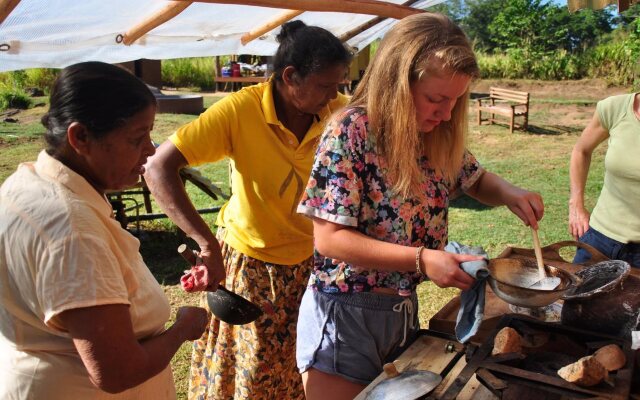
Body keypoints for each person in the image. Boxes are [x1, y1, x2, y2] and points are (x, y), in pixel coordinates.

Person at [295, 13, 545, 399]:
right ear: (397, 82)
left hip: (399, 311)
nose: (446, 114)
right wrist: (422, 259)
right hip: (344, 317)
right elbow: (329, 240)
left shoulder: (429, 132)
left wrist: (511, 192)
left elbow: (474, 179)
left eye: (455, 102)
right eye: (436, 99)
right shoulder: (351, 130)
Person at [143, 21, 352, 400]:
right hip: (253, 266)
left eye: (338, 85)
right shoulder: (241, 110)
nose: (334, 94)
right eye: (325, 85)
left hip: (311, 263)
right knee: (252, 373)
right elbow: (158, 167)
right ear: (290, 77)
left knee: (303, 367)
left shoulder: (336, 112)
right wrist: (205, 243)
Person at [0, 61, 209, 399]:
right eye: (137, 138)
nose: (151, 150)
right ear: (80, 137)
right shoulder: (72, 230)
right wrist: (182, 328)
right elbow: (116, 371)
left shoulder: (26, 182)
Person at [569, 92, 640, 268]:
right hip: (599, 241)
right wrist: (576, 205)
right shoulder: (614, 108)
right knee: (575, 295)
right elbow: (581, 151)